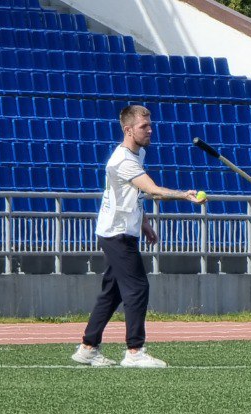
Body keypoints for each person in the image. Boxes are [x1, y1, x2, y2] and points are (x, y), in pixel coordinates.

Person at [72, 105, 205, 368]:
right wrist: (184, 195)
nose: (150, 130)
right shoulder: (123, 160)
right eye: (144, 126)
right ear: (128, 130)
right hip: (117, 233)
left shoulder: (138, 153)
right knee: (137, 288)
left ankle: (88, 347)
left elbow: (135, 193)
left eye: (150, 125)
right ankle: (134, 350)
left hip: (121, 230)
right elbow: (152, 190)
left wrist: (143, 223)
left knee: (112, 293)